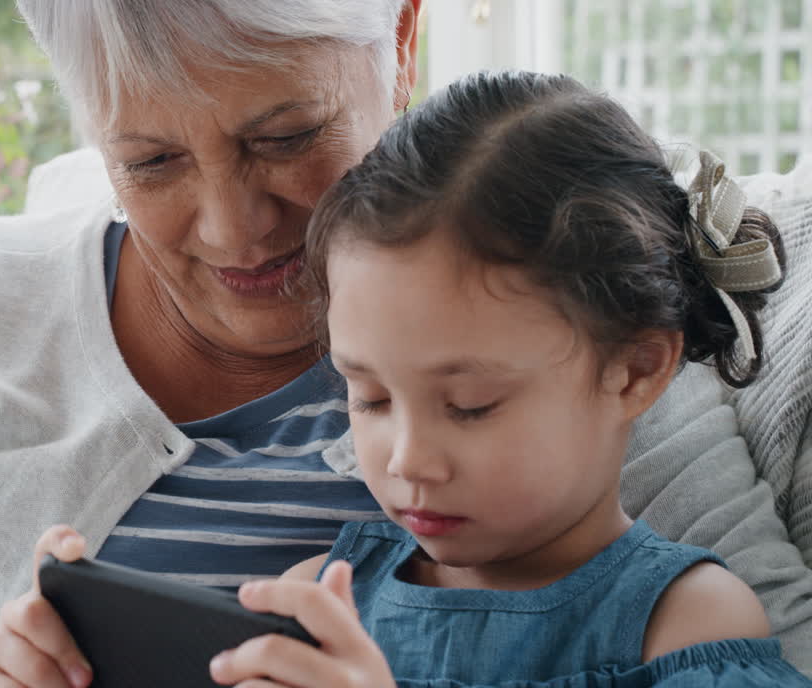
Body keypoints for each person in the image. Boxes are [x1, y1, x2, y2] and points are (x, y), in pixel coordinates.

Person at [0, 0, 811, 688]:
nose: (231, 228)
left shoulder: (569, 336)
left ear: (399, 32)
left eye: (283, 137)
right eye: (149, 157)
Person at [198, 69, 809, 687]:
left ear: (634, 372)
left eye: (469, 405)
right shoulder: (320, 605)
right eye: (373, 399)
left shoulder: (688, 623)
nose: (409, 461)